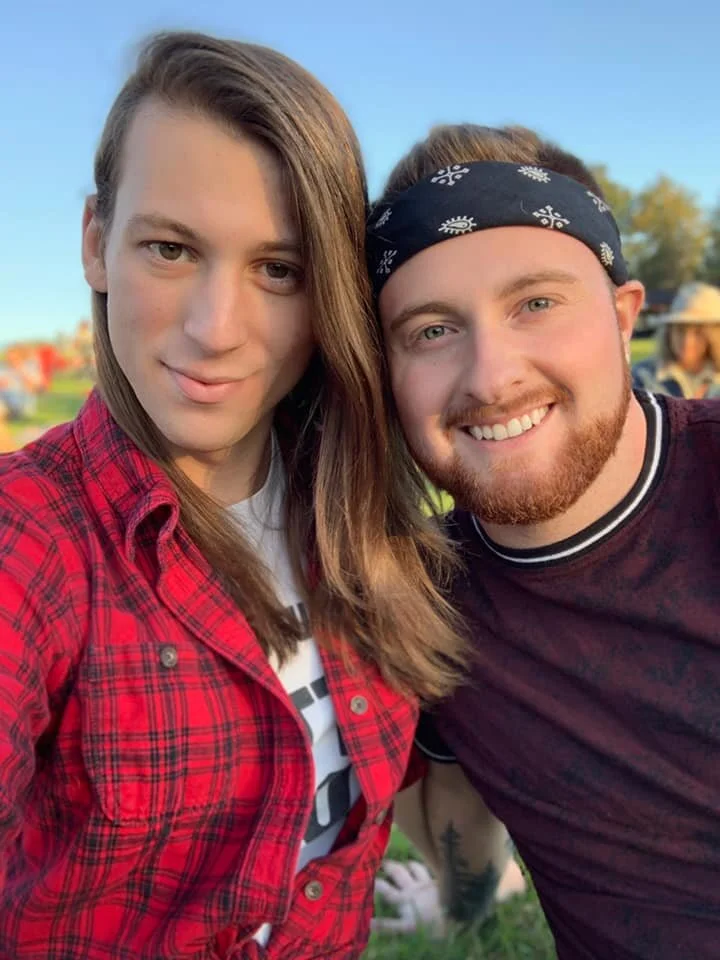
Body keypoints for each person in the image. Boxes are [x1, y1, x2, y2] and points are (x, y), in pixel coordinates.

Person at [0, 32, 466, 960]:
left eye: (279, 269)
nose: (216, 329)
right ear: (96, 243)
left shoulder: (369, 524)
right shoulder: (32, 539)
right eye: (170, 249)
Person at [367, 124, 720, 959]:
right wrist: (462, 905)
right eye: (431, 330)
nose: (492, 376)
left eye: (536, 303)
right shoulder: (424, 602)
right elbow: (456, 813)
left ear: (623, 317)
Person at [633, 282, 720, 399]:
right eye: (680, 330)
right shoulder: (642, 377)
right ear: (668, 332)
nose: (687, 341)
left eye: (698, 332)